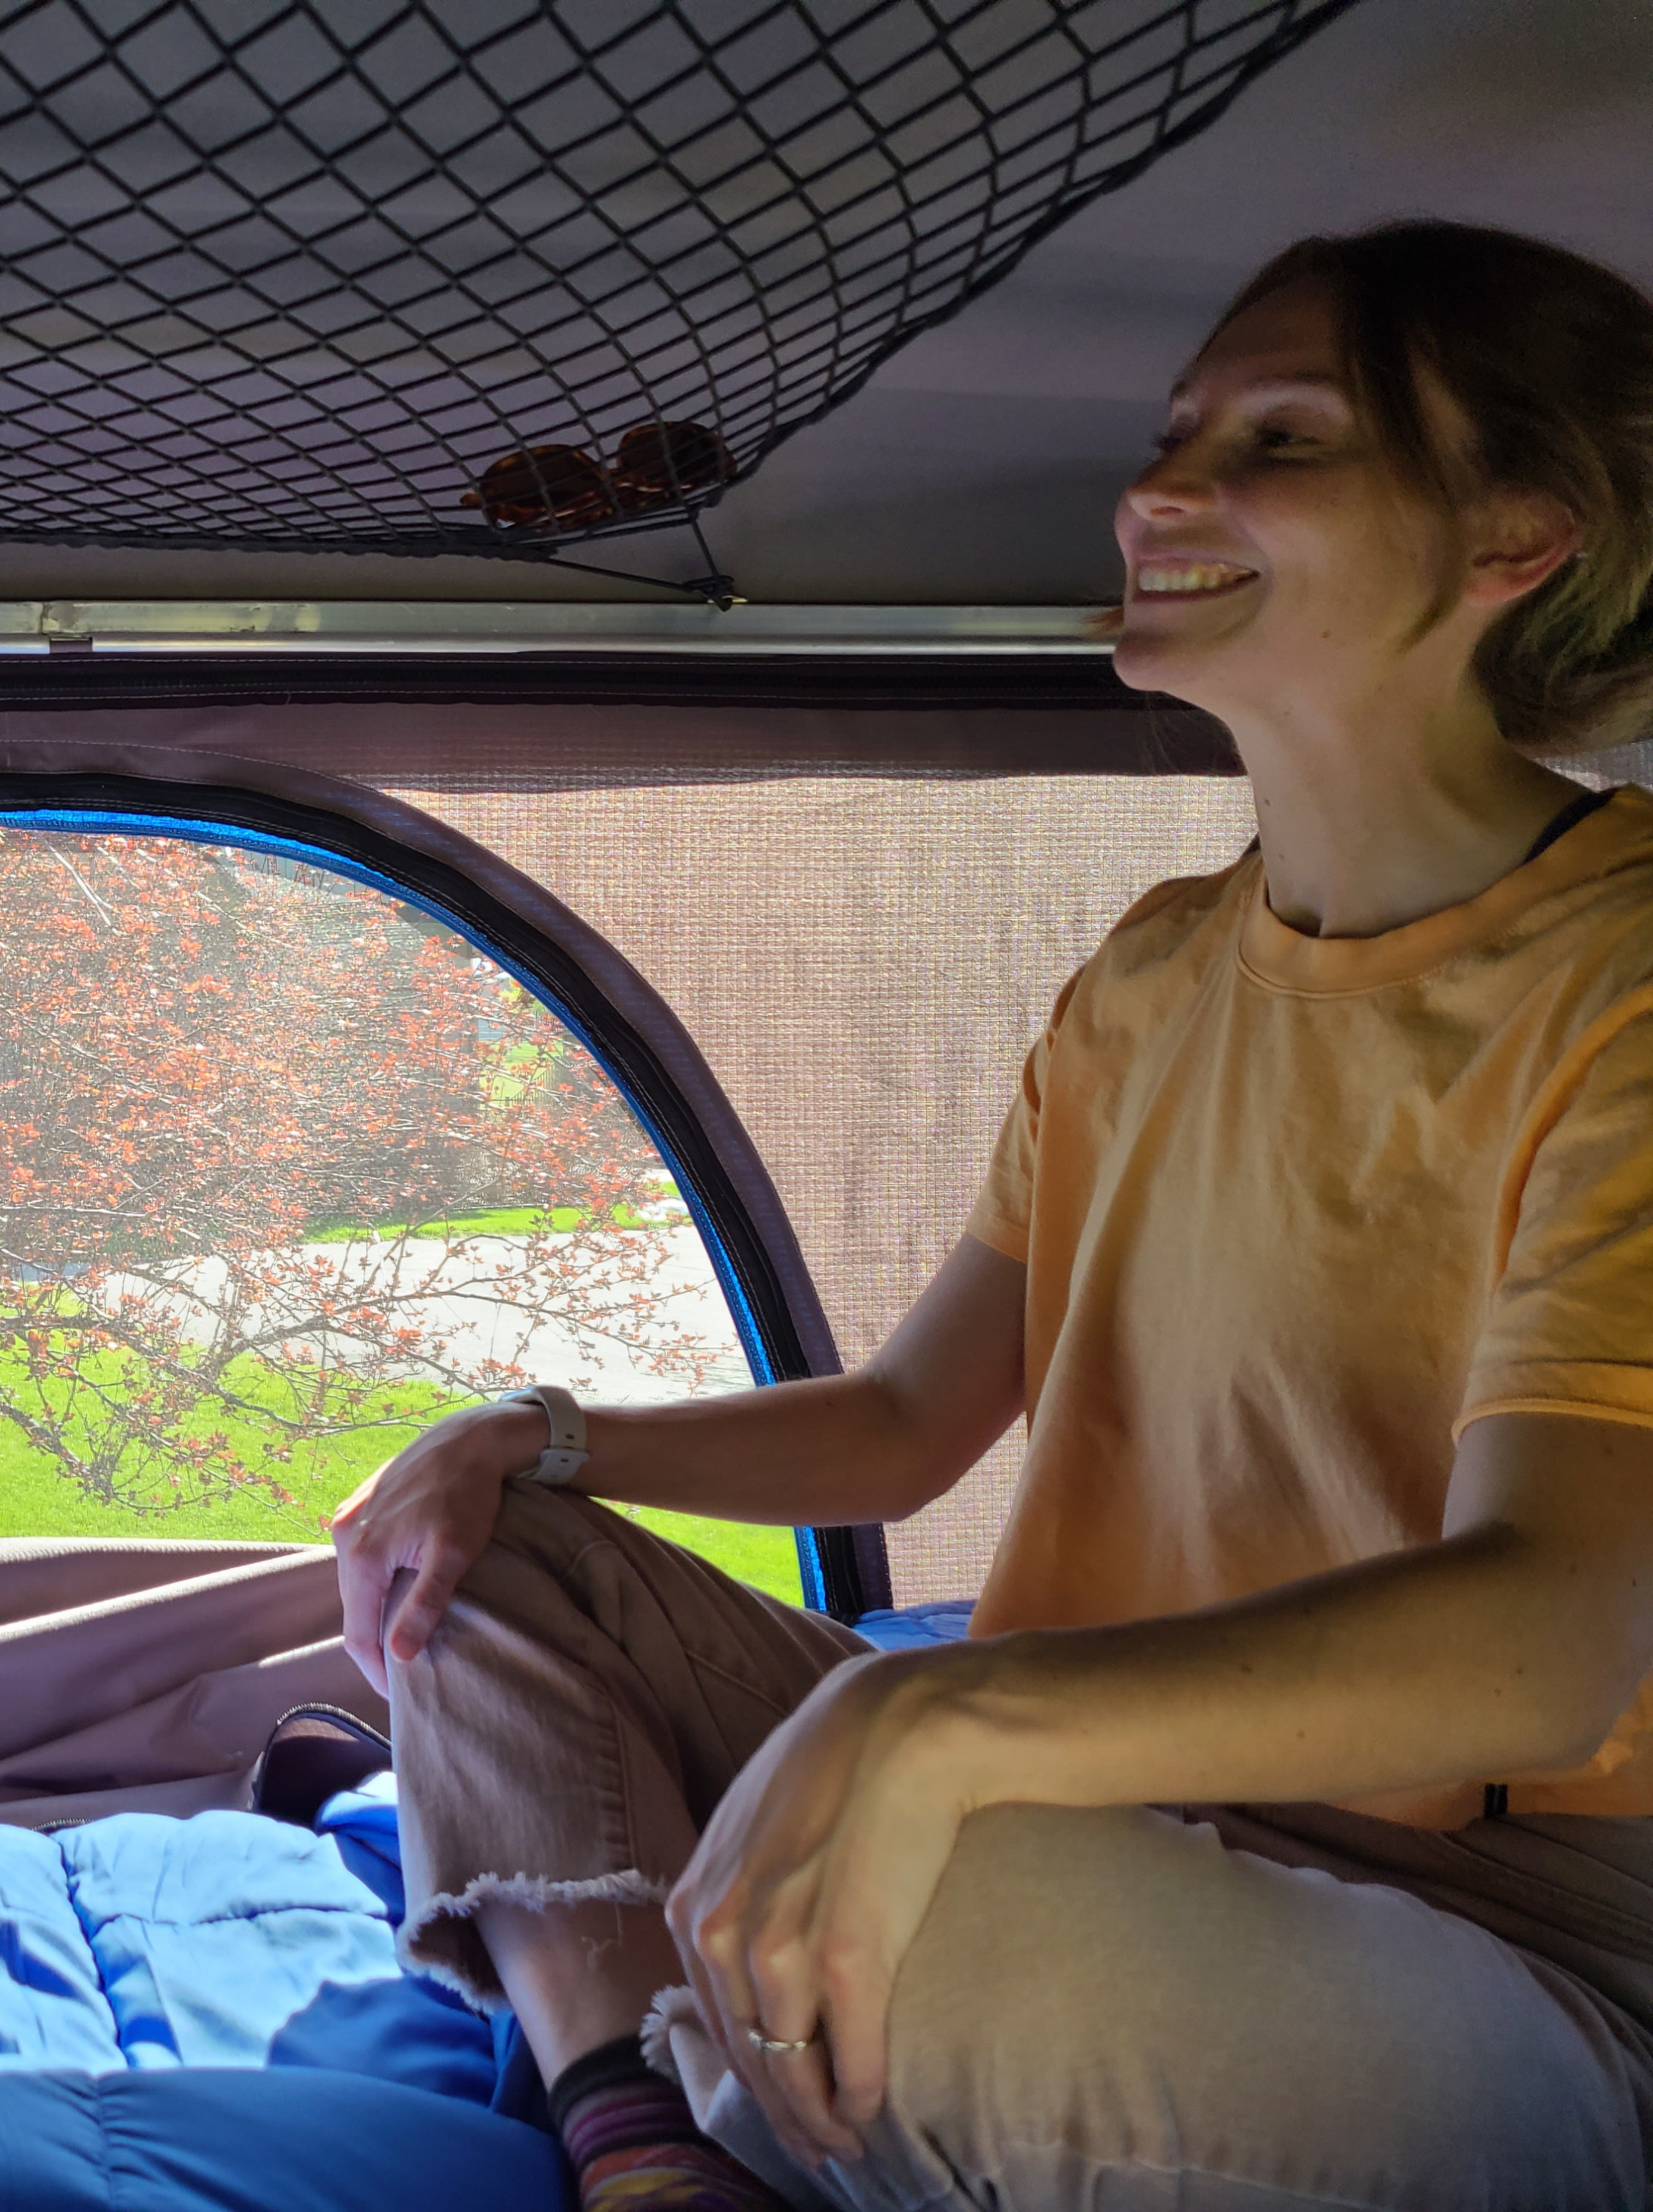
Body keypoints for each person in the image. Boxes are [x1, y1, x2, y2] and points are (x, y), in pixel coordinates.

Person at [335, 218, 1653, 2211]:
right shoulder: (1149, 976)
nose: (1156, 491)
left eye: (1282, 442)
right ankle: (637, 2133)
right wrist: (535, 1435)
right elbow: (905, 1422)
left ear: (1514, 543)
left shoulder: (1622, 983)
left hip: (1492, 1930)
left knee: (925, 1925)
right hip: (1098, 1784)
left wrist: (948, 1718)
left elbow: (1543, 1646)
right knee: (483, 1561)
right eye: (1176, 429)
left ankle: (716, 2059)